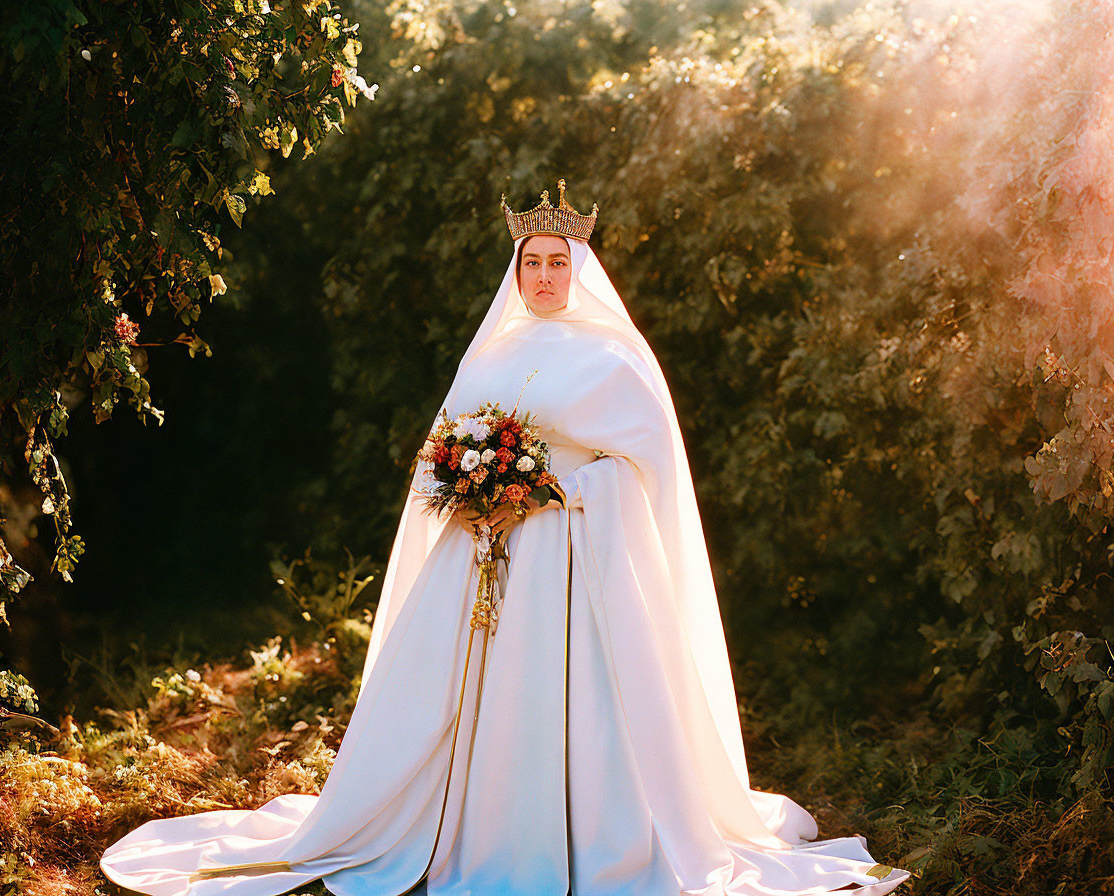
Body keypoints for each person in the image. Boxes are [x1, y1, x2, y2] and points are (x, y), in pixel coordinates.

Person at [99, 180, 912, 896]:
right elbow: (443, 447)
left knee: (584, 705)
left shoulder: (616, 363)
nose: (545, 276)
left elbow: (646, 473)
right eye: (532, 263)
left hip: (576, 561)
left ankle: (593, 837)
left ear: (580, 270)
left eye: (558, 262)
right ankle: (475, 828)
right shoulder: (491, 355)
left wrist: (553, 489)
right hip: (485, 554)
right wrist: (469, 488)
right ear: (516, 272)